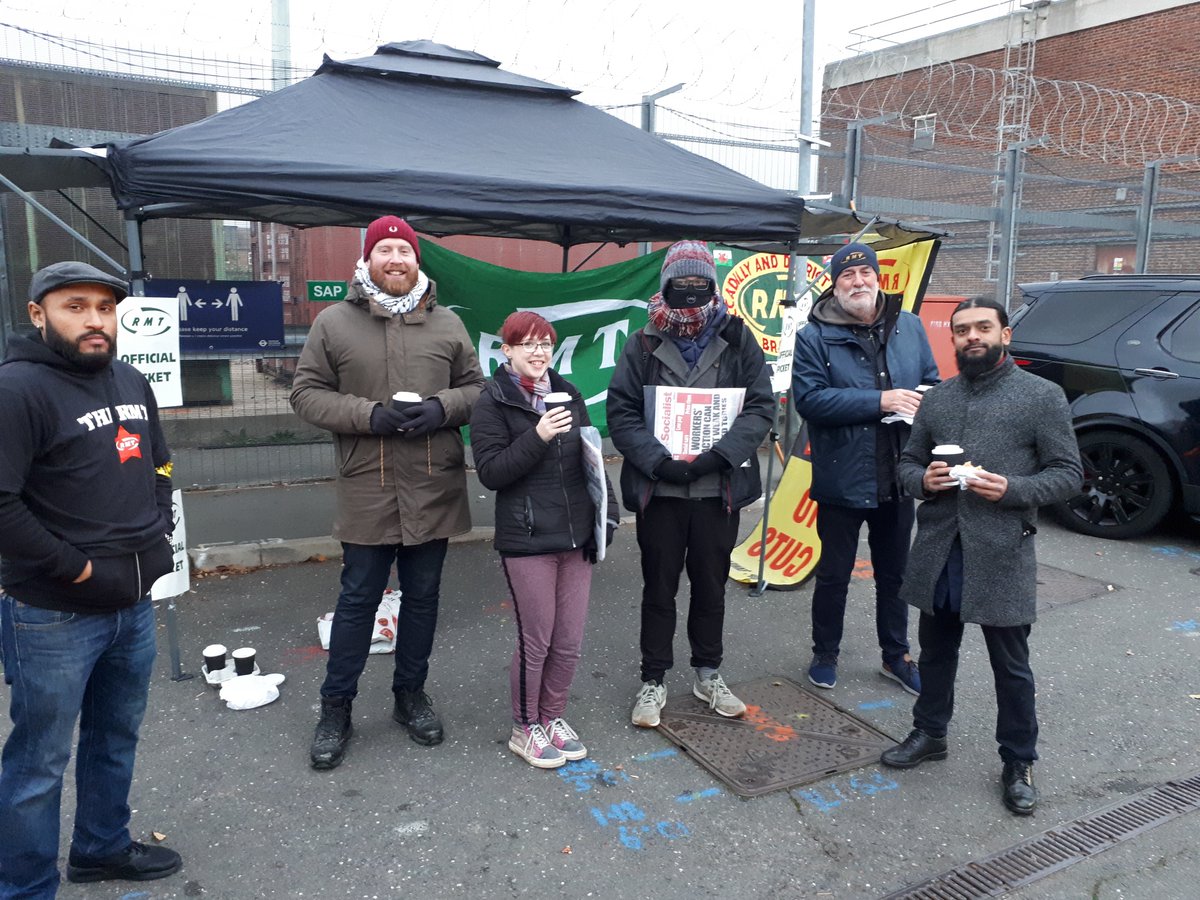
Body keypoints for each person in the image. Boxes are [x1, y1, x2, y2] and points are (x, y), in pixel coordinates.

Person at [0, 262, 182, 896]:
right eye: (75, 306)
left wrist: (158, 528)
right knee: (39, 764)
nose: (95, 320)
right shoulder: (17, 389)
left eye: (105, 308)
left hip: (132, 606)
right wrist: (74, 567)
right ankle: (24, 887)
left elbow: (158, 464)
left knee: (114, 736)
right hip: (53, 613)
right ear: (38, 313)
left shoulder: (131, 379)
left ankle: (100, 848)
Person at [291, 216, 484, 769]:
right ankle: (336, 707)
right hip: (368, 486)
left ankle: (410, 695)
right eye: (385, 250)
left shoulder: (447, 324)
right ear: (367, 260)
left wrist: (440, 408)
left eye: (404, 250)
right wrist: (368, 415)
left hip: (433, 482)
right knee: (358, 600)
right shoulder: (333, 322)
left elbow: (476, 389)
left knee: (423, 599)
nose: (396, 258)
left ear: (417, 260)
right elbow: (305, 394)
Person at [880, 297, 1082, 816]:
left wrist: (1012, 488)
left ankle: (1018, 760)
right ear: (954, 339)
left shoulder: (1042, 397)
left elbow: (1068, 474)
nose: (972, 337)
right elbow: (906, 463)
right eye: (963, 330)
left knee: (1011, 666)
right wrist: (921, 480)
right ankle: (930, 733)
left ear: (1005, 335)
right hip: (940, 547)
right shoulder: (939, 399)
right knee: (936, 651)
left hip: (1001, 552)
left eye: (983, 328)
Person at [607, 240, 773, 728]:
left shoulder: (740, 340)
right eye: (680, 284)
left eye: (699, 284)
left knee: (711, 587)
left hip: (716, 489)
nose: (690, 293)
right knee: (658, 588)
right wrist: (658, 462)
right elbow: (621, 411)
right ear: (665, 286)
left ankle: (708, 672)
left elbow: (762, 407)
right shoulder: (641, 344)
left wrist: (719, 456)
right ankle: (653, 678)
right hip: (660, 490)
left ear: (712, 286)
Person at [469, 311, 619, 769]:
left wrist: (606, 518)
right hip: (528, 539)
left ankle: (552, 717)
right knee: (537, 641)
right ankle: (525, 727)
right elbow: (493, 473)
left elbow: (590, 458)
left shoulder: (568, 393)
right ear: (507, 351)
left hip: (576, 537)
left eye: (545, 343)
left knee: (569, 641)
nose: (538, 352)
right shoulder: (491, 402)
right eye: (527, 343)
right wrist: (537, 434)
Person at [791, 242, 939, 696]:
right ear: (834, 286)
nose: (858, 282)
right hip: (842, 475)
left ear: (878, 278)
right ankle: (825, 653)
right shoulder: (813, 336)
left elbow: (931, 379)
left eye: (865, 274)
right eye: (847, 277)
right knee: (834, 574)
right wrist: (881, 401)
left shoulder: (909, 326)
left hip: (898, 473)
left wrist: (928, 399)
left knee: (895, 575)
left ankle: (896, 656)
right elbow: (810, 400)